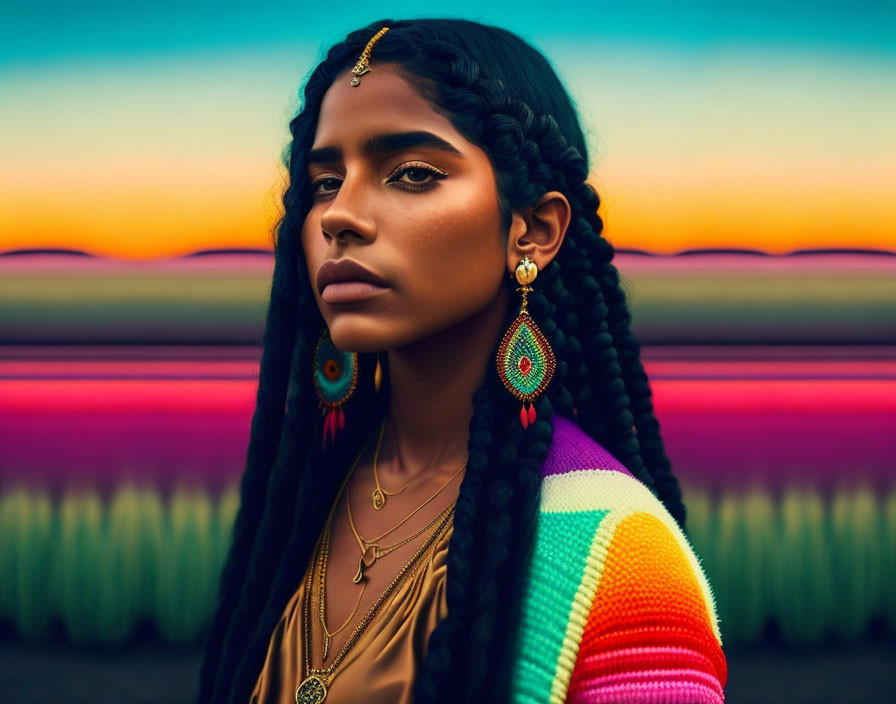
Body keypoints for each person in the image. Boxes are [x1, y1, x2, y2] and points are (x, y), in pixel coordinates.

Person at [197, 18, 727, 704]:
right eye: (326, 181)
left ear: (532, 231)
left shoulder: (619, 554)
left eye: (411, 173)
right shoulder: (309, 494)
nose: (339, 216)